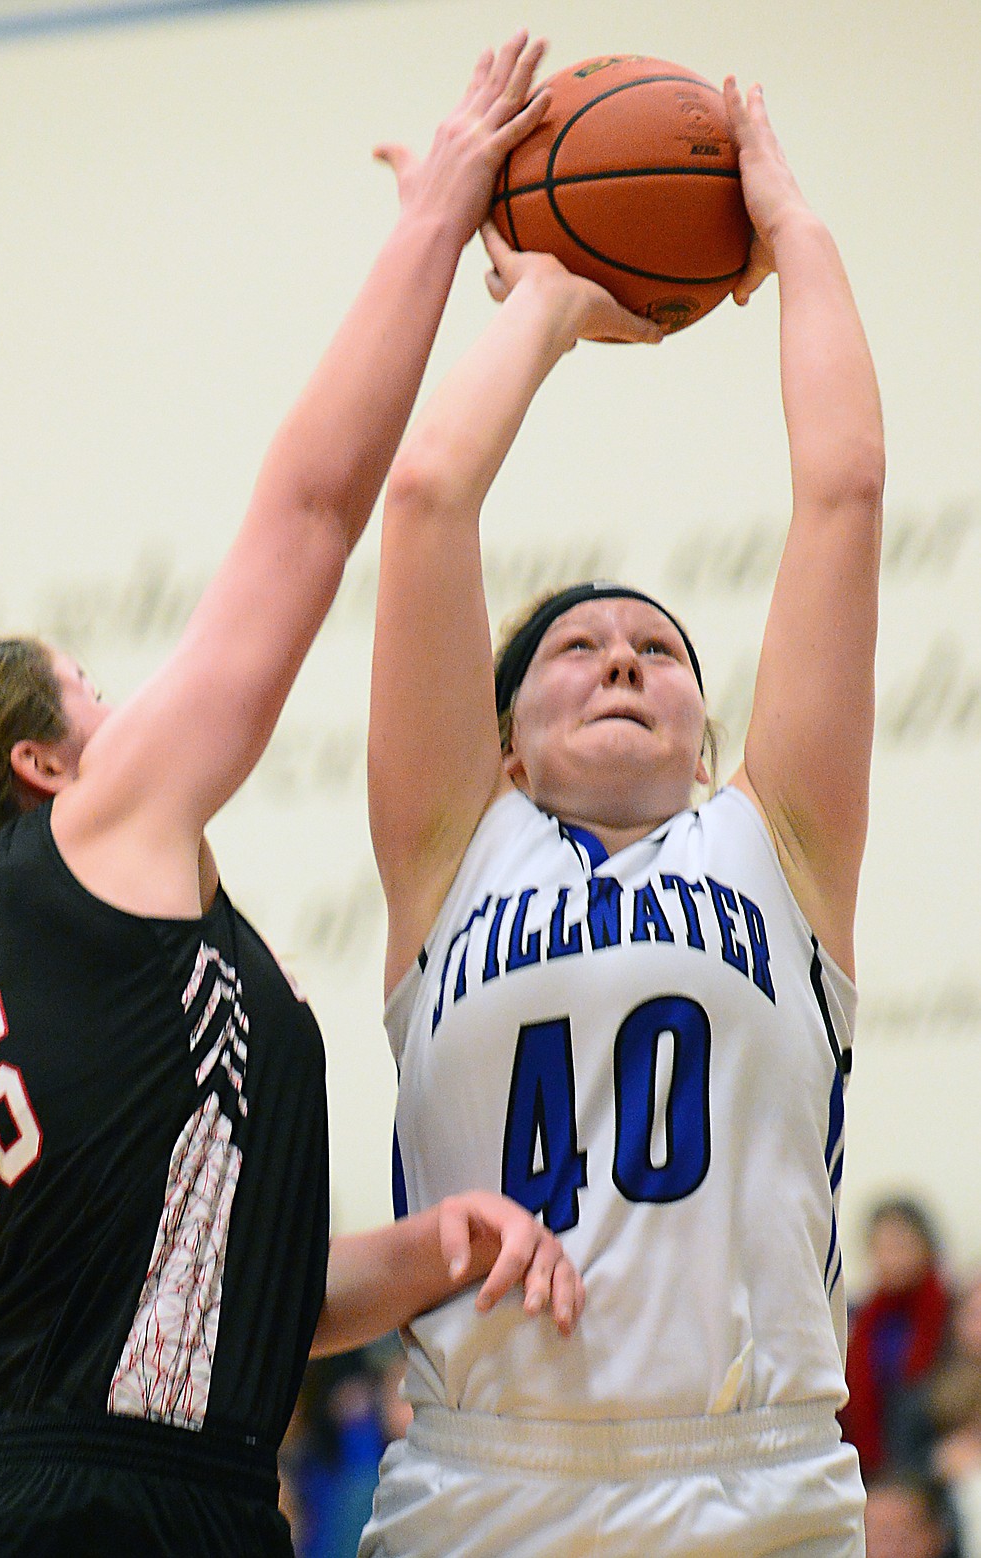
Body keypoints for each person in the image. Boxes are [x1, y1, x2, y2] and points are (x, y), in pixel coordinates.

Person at [0, 34, 585, 1558]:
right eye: (96, 689)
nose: (138, 703)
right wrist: (436, 222)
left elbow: (229, 1298)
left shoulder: (6, 968)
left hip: (95, 1502)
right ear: (42, 765)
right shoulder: (75, 850)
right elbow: (310, 510)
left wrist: (436, 1247)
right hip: (98, 1513)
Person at [361, 75, 885, 1557]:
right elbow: (424, 500)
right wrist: (542, 305)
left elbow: (840, 493)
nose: (621, 659)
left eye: (657, 651)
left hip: (755, 1473)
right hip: (482, 1478)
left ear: (709, 734)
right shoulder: (452, 853)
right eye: (578, 648)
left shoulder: (771, 845)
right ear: (502, 749)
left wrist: (792, 230)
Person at [842, 1195, 952, 1477]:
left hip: (933, 1460)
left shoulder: (951, 1312)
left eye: (901, 1245)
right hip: (872, 1468)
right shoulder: (859, 1319)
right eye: (883, 1247)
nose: (893, 1257)